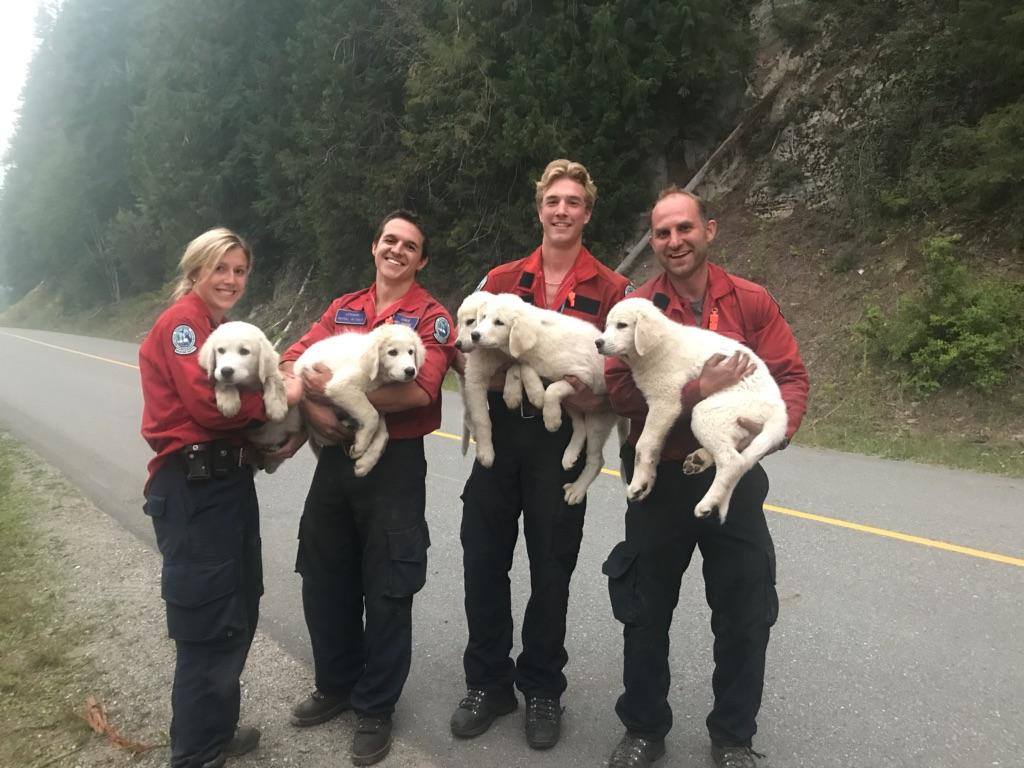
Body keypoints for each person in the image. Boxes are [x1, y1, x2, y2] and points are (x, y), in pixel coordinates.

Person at [601, 187, 809, 768]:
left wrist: (768, 433)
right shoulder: (636, 307)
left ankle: (733, 738)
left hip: (733, 478)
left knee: (744, 608)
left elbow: (789, 377)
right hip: (661, 480)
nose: (674, 242)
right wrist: (697, 392)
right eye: (662, 233)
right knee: (644, 605)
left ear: (709, 230)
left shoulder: (750, 301)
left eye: (684, 229)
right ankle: (643, 727)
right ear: (654, 241)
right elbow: (619, 390)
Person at [450, 159, 631, 750]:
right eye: (552, 200)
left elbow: (625, 365)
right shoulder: (500, 278)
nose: (561, 210)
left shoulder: (611, 288)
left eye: (573, 201)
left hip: (561, 436)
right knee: (483, 560)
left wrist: (594, 389)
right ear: (539, 208)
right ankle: (488, 683)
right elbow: (465, 349)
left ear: (586, 211)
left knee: (552, 568)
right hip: (501, 434)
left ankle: (544, 688)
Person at [278, 210, 455, 767]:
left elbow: (421, 390)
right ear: (375, 247)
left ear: (421, 259)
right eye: (389, 240)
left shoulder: (432, 317)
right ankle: (335, 684)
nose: (397, 250)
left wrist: (342, 396)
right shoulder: (343, 309)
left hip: (396, 466)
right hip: (333, 458)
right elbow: (291, 361)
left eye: (410, 245)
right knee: (324, 574)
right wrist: (311, 404)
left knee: (388, 584)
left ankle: (375, 707)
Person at [139, 227, 300, 768]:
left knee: (235, 608)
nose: (231, 279)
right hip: (192, 488)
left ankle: (215, 729)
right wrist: (287, 395)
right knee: (207, 619)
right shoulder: (184, 325)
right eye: (220, 269)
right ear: (195, 271)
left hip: (225, 484)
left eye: (239, 270)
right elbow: (212, 408)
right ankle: (195, 752)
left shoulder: (221, 328)